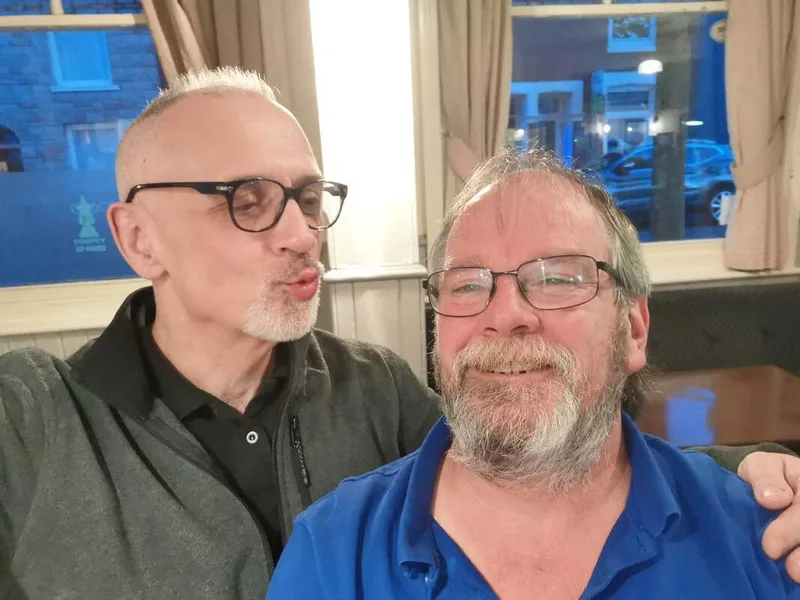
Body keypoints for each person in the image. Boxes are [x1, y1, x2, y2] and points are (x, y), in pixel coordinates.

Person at [0, 67, 797, 599]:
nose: (303, 236)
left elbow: (535, 449)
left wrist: (749, 486)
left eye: (307, 198)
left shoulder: (372, 386)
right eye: (247, 200)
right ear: (138, 238)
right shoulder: (27, 421)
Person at [268, 148, 800, 599]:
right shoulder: (332, 556)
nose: (505, 315)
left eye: (558, 279)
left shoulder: (768, 540)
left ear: (633, 331)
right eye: (468, 284)